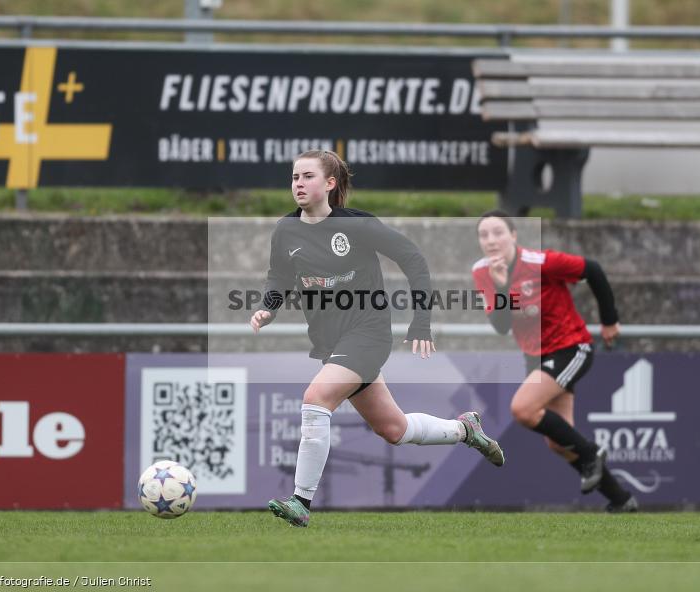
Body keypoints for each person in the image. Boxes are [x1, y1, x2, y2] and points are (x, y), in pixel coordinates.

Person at [251, 150, 505, 527]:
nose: (298, 184)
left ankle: (301, 502)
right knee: (394, 429)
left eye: (307, 176)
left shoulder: (358, 226)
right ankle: (465, 429)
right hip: (331, 344)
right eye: (294, 177)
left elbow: (413, 259)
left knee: (315, 399)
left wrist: (421, 321)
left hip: (367, 334)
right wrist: (268, 307)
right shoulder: (286, 230)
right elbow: (279, 278)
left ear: (330, 184)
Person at [472, 210, 637, 513]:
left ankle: (592, 453)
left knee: (523, 408)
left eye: (498, 232)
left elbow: (594, 270)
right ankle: (621, 499)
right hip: (536, 357)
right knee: (559, 442)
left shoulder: (539, 262)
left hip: (570, 347)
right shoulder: (483, 271)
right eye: (484, 235)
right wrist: (500, 286)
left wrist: (610, 321)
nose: (491, 240)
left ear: (514, 236)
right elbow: (501, 325)